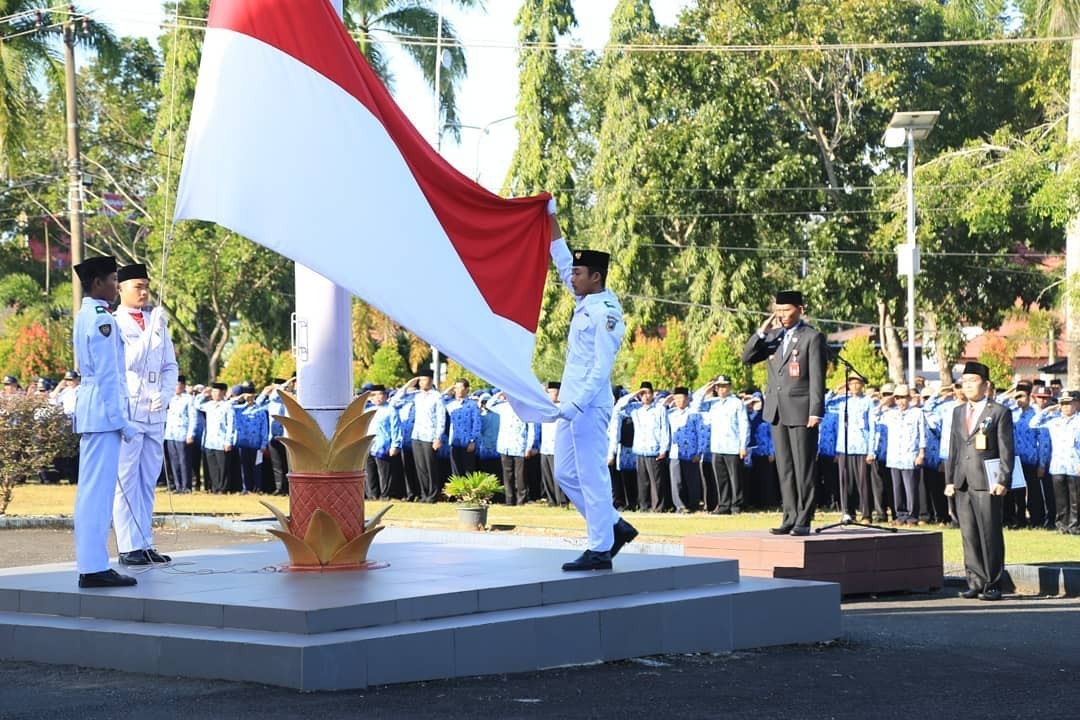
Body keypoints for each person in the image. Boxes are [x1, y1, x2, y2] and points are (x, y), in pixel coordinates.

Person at [549, 208, 637, 570]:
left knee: (591, 474)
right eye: (572, 272)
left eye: (579, 273)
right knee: (564, 474)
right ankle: (613, 526)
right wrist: (549, 214)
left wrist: (577, 405)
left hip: (588, 406)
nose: (571, 277)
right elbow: (561, 258)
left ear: (596, 278)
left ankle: (600, 547)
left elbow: (602, 368)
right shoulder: (585, 300)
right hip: (570, 405)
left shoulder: (606, 313)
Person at [71, 255, 138, 588]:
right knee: (97, 495)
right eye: (112, 279)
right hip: (102, 415)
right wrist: (121, 421)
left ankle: (92, 563)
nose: (116, 285)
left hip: (94, 412)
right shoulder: (101, 320)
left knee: (92, 492)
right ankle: (94, 567)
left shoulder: (88, 314)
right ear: (97, 283)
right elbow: (110, 378)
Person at [741, 290, 826, 536]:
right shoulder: (774, 337)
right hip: (776, 410)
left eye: (787, 310)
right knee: (785, 468)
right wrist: (761, 332)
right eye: (778, 311)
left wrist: (816, 411)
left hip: (802, 411)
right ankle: (789, 515)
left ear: (800, 309)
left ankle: (804, 518)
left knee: (804, 467)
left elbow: (817, 379)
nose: (782, 316)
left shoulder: (812, 337)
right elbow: (747, 357)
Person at [110, 263, 178, 565]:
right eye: (137, 286)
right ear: (120, 289)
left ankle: (145, 542)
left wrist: (164, 396)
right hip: (129, 413)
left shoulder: (156, 321)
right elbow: (130, 363)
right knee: (125, 481)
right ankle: (128, 546)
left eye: (146, 285)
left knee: (148, 480)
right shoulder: (114, 323)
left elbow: (169, 365)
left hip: (153, 412)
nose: (144, 291)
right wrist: (151, 330)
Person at [945, 361, 1014, 601]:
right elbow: (954, 448)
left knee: (990, 533)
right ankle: (974, 581)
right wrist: (950, 480)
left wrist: (1003, 479)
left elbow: (1006, 449)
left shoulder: (998, 412)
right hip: (963, 481)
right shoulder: (957, 411)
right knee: (969, 534)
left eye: (973, 382)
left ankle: (993, 583)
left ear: (986, 385)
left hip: (987, 481)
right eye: (964, 382)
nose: (968, 386)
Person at [693, 375, 749, 515]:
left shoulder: (736, 403)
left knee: (735, 478)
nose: (721, 389)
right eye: (719, 386)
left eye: (724, 386)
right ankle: (724, 505)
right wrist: (708, 387)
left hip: (733, 446)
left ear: (730, 387)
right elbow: (695, 404)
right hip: (717, 446)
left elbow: (744, 425)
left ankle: (737, 505)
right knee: (721, 478)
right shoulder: (713, 403)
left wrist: (743, 445)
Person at [1029, 390, 1080, 534]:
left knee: (1075, 499)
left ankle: (1074, 526)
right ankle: (1062, 525)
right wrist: (1048, 409)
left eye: (1068, 403)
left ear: (1075, 404)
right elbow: (1033, 423)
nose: (1066, 407)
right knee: (1060, 499)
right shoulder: (1054, 420)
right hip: (1058, 465)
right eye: (1063, 404)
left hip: (1074, 464)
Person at [392, 371, 445, 502]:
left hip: (430, 436)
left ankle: (433, 494)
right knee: (420, 467)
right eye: (420, 381)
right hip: (417, 435)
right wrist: (408, 385)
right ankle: (424, 494)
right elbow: (395, 401)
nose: (422, 383)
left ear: (431, 381)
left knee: (430, 466)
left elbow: (441, 417)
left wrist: (438, 437)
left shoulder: (437, 396)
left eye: (424, 380)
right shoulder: (416, 395)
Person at [666, 386, 705, 513]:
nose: (678, 401)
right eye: (676, 398)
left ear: (687, 399)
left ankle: (693, 504)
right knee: (676, 481)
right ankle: (680, 506)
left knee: (692, 480)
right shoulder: (670, 414)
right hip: (675, 452)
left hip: (691, 452)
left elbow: (701, 433)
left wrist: (699, 452)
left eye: (681, 398)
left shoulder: (694, 414)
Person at [365, 384, 403, 499]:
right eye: (374, 395)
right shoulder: (368, 410)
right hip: (368, 446)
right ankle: (372, 495)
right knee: (370, 473)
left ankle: (385, 495)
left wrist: (395, 445)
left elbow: (396, 429)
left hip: (383, 445)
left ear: (386, 396)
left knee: (384, 473)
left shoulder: (391, 410)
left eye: (380, 394)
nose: (377, 397)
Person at [200, 382, 235, 494]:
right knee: (212, 467)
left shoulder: (227, 406)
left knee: (222, 467)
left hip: (222, 441)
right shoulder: (209, 405)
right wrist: (204, 394)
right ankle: (215, 487)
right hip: (210, 441)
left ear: (223, 392)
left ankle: (223, 488)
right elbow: (196, 404)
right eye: (213, 392)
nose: (215, 394)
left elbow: (231, 425)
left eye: (217, 391)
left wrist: (228, 441)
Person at [164, 375, 196, 494]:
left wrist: (190, 434)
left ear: (182, 385)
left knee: (184, 461)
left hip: (182, 433)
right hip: (170, 433)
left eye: (178, 384)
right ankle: (177, 486)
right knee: (174, 461)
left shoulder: (188, 399)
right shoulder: (170, 397)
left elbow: (193, 417)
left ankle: (186, 486)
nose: (176, 387)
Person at [444, 378, 481, 477]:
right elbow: (439, 399)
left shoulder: (472, 405)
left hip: (467, 442)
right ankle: (458, 492)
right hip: (454, 441)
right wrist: (450, 388)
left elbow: (477, 423)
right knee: (456, 471)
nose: (457, 390)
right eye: (456, 388)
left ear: (467, 389)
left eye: (460, 387)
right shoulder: (450, 404)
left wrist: (473, 441)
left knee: (468, 471)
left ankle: (468, 492)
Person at [539, 382, 568, 507]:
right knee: (547, 475)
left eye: (552, 392)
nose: (550, 395)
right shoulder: (545, 407)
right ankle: (551, 500)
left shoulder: (564, 408)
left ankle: (562, 500)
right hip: (545, 446)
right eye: (548, 392)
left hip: (559, 447)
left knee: (558, 476)